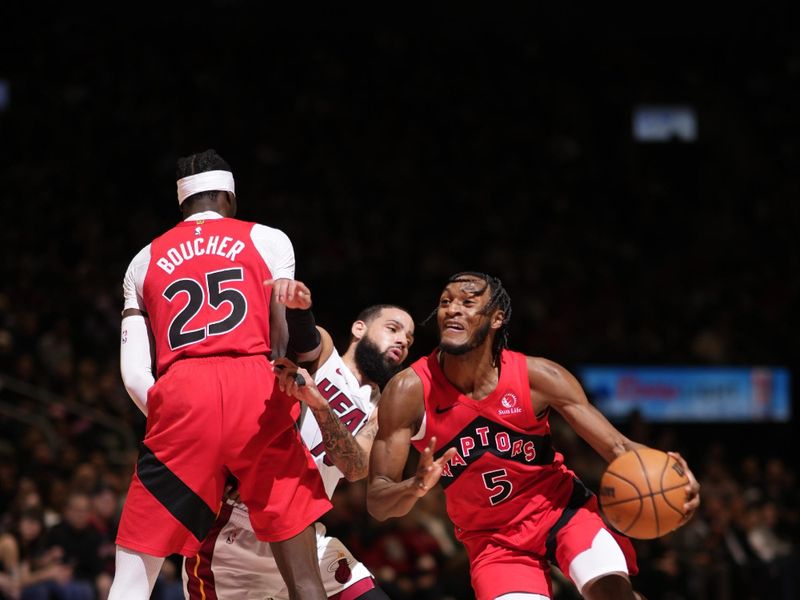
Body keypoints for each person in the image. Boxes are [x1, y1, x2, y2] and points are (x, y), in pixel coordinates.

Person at [367, 272, 702, 600]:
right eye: (445, 302)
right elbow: (378, 501)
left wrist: (671, 474)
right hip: (493, 542)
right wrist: (414, 486)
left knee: (610, 592)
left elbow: (619, 446)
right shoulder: (409, 391)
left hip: (562, 512)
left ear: (496, 319)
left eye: (468, 303)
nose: (452, 309)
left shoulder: (537, 376)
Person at [110, 149, 332, 600]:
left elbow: (134, 374)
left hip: (181, 390)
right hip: (256, 388)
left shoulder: (142, 260)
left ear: (182, 204)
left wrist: (174, 414)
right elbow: (285, 341)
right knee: (306, 581)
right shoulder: (270, 239)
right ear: (229, 199)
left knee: (132, 581)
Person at [183, 304, 415, 600]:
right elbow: (303, 337)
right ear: (359, 329)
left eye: (408, 340)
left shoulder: (380, 409)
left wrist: (321, 405)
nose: (402, 341)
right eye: (393, 329)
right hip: (243, 526)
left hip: (305, 531)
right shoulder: (326, 355)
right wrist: (299, 306)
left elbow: (355, 469)